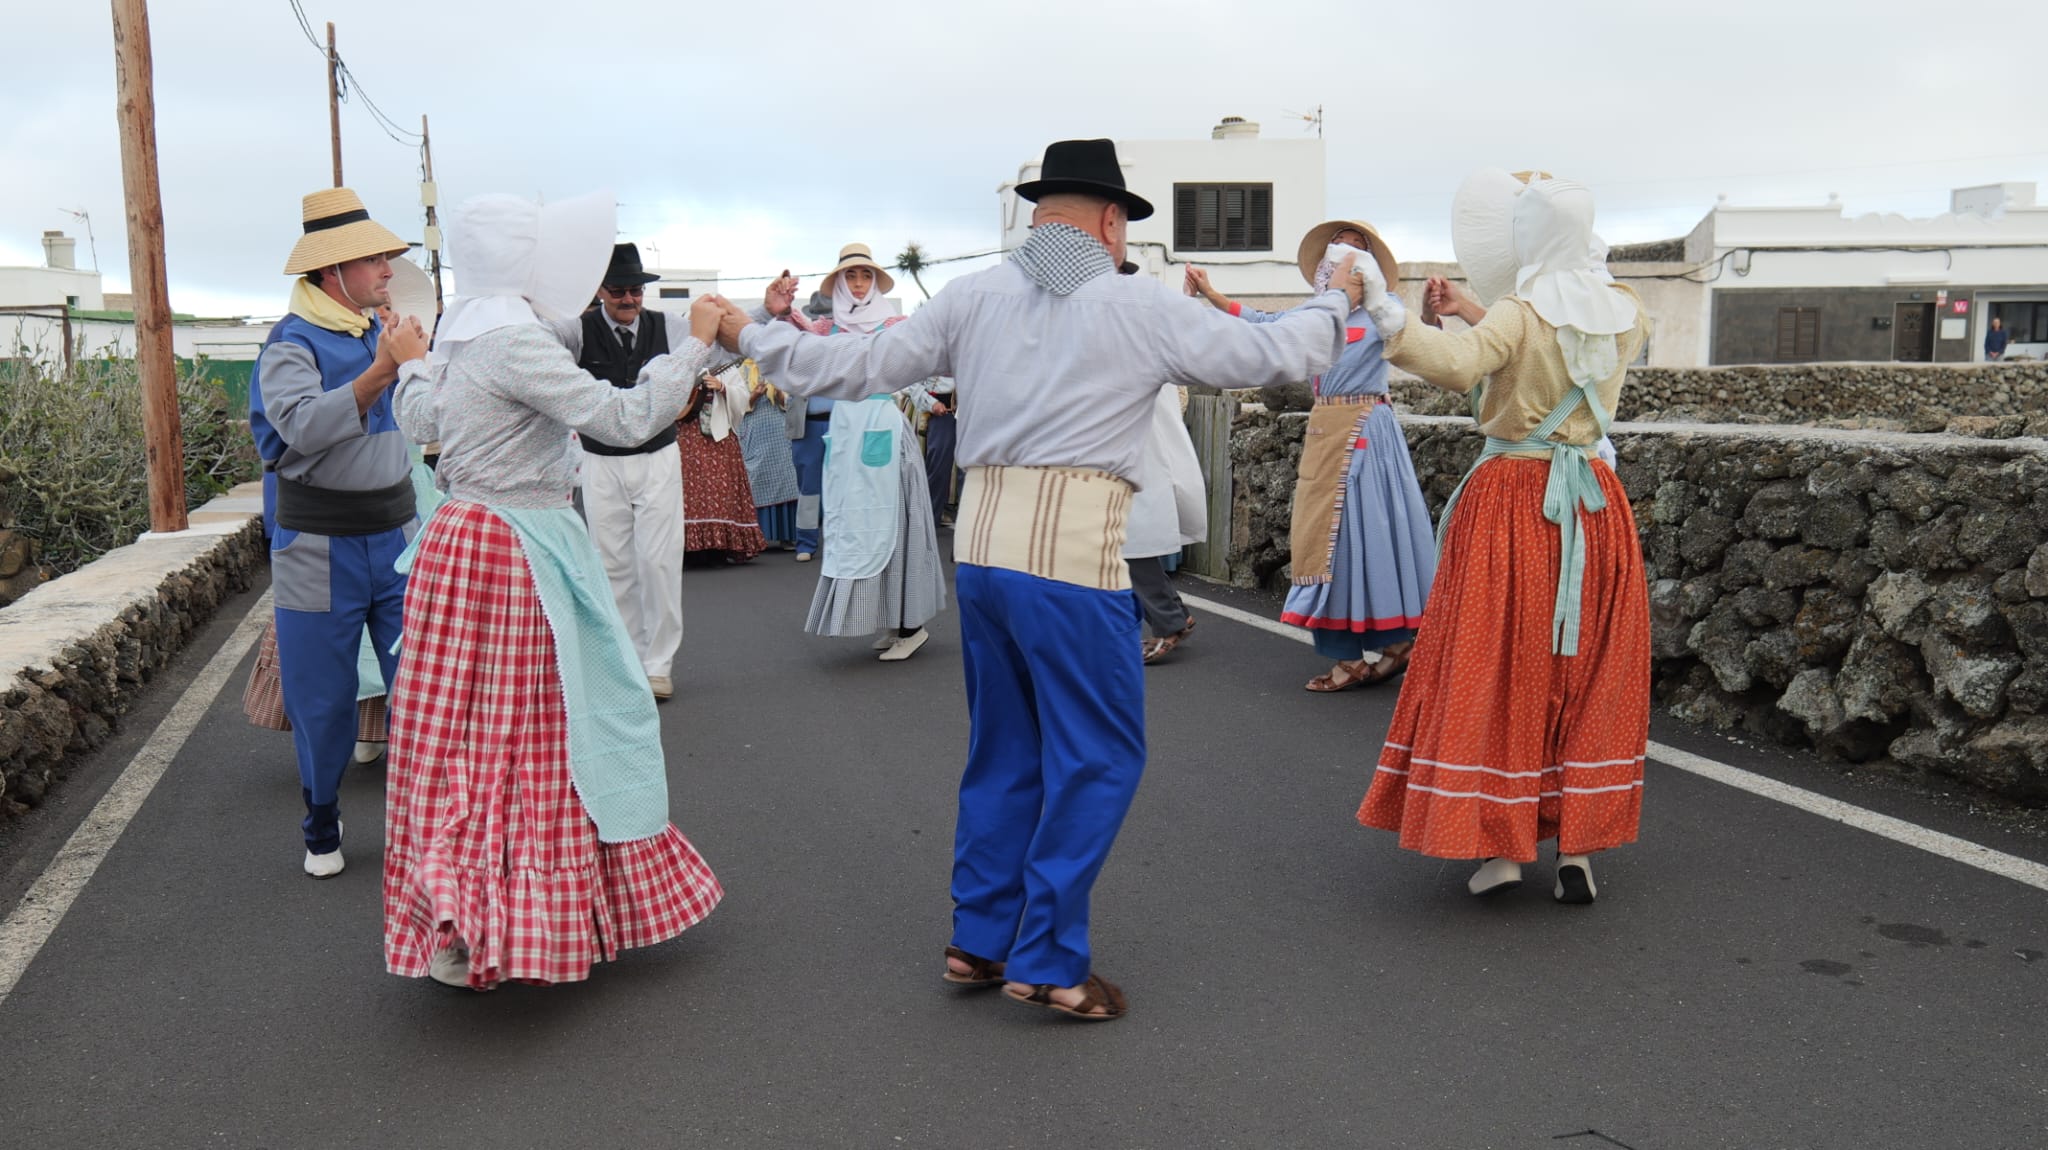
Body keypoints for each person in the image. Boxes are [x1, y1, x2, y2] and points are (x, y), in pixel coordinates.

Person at [716, 138, 1358, 1021]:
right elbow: (1268, 357)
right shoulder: (1133, 303)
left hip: (981, 550)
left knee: (1004, 750)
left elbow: (846, 368)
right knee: (1097, 755)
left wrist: (746, 330)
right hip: (1071, 558)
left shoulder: (973, 296)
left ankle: (979, 937)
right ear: (1107, 221)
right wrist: (1338, 298)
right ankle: (1050, 959)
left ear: (1036, 215)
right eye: (1125, 227)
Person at [386, 190, 723, 990]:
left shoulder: (465, 340)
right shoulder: (514, 344)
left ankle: (458, 910)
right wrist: (695, 347)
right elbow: (625, 415)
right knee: (540, 735)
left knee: (459, 740)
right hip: (517, 551)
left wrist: (407, 358)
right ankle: (502, 919)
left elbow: (422, 416)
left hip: (458, 545)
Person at [1354, 170, 1653, 905]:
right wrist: (1476, 309)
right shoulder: (1627, 311)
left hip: (1516, 504)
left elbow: (1464, 366)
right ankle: (1579, 846)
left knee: (1497, 665)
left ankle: (1500, 845)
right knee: (1585, 670)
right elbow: (1560, 348)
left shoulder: (1519, 314)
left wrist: (1390, 312)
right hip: (1594, 505)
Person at [248, 187, 428, 878]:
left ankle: (423, 824)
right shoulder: (290, 343)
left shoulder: (372, 328)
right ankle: (321, 817)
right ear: (334, 273)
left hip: (396, 535)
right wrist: (387, 368)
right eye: (374, 259)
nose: (387, 268)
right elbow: (299, 429)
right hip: (317, 546)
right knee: (322, 700)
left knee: (419, 685)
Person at [1187, 220, 1435, 692]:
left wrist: (1438, 317)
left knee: (1365, 542)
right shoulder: (1320, 314)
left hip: (1367, 433)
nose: (1344, 257)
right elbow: (1265, 324)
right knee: (1328, 544)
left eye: (1355, 250)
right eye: (1337, 251)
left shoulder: (1387, 312)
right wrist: (1214, 296)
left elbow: (1421, 346)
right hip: (1327, 434)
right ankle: (1373, 647)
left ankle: (1387, 644)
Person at [548, 243, 686, 700]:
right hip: (601, 460)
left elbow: (725, 333)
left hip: (659, 457)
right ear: (600, 291)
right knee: (612, 566)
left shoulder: (669, 326)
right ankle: (628, 661)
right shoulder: (577, 332)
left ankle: (659, 664)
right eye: (618, 291)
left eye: (635, 290)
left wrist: (768, 311)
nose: (628, 299)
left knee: (660, 560)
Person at [1125, 383, 1206, 663]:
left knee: (1128, 542)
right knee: (1128, 539)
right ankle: (1176, 616)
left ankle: (1169, 622)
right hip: (1135, 439)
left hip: (1133, 443)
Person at [676, 357, 767, 563]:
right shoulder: (681, 363)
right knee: (689, 492)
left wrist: (723, 387)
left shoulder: (726, 367)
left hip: (719, 437)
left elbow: (744, 399)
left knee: (719, 490)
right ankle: (689, 550)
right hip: (686, 437)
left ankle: (718, 548)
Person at [735, 361, 802, 549]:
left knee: (785, 477)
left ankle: (786, 535)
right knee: (756, 479)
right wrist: (753, 396)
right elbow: (735, 405)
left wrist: (779, 393)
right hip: (753, 431)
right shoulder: (741, 372)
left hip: (778, 430)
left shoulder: (779, 369)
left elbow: (790, 402)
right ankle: (757, 535)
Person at [904, 375, 959, 525]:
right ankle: (928, 520)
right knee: (938, 464)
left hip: (967, 410)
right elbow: (913, 383)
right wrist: (932, 404)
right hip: (941, 411)